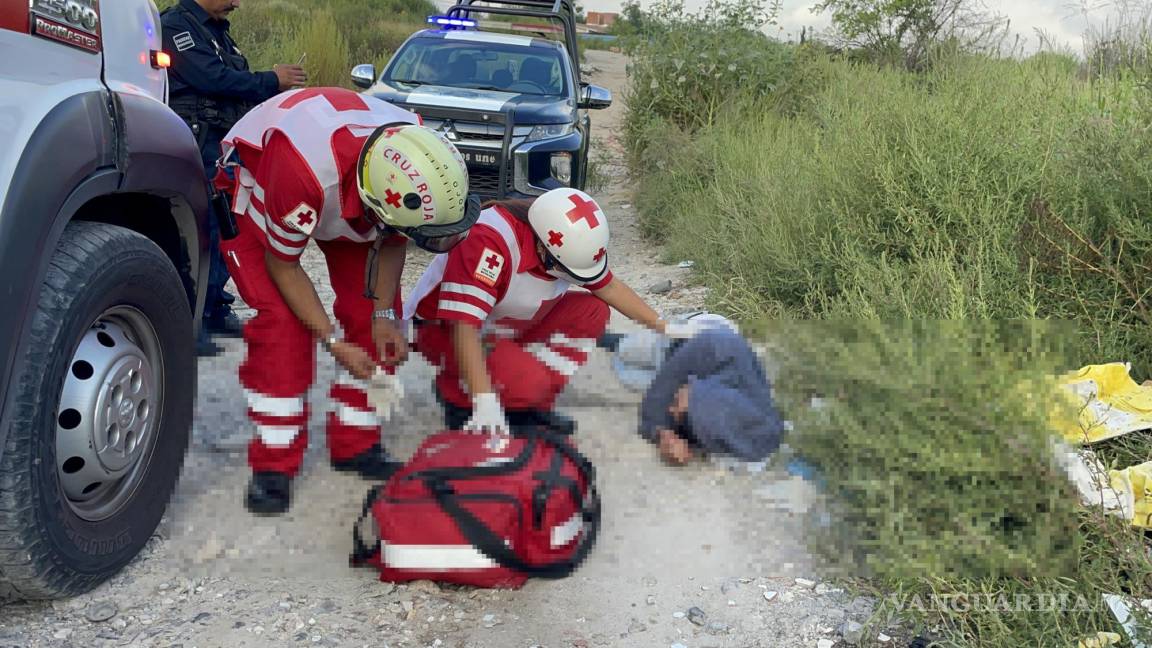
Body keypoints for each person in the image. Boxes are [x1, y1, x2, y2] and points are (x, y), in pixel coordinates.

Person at [214, 86, 481, 515]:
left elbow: (394, 237)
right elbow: (284, 265)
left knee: (377, 323)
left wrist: (384, 313)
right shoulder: (300, 172)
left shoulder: (413, 152)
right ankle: (274, 465)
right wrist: (332, 341)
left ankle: (356, 442)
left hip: (347, 189)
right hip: (264, 189)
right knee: (283, 328)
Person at [404, 188, 695, 436]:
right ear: (542, 247)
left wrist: (663, 326)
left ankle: (524, 405)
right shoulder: (489, 241)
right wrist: (483, 400)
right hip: (443, 330)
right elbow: (462, 327)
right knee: (531, 383)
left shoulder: (562, 240)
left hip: (499, 322)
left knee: (592, 311)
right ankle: (459, 398)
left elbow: (609, 288)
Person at [162, 0, 308, 356]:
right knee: (200, 231)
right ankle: (186, 324)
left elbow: (232, 77)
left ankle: (213, 307)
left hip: (224, 144)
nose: (236, 3)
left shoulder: (217, 31)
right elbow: (212, 77)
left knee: (228, 228)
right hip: (198, 143)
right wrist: (272, 79)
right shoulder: (176, 26)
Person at [637, 325, 785, 466]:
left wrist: (674, 439)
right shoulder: (705, 351)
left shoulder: (754, 407)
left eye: (676, 403)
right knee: (629, 351)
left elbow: (760, 442)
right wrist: (663, 435)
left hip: (716, 362)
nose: (671, 409)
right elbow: (653, 408)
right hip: (681, 341)